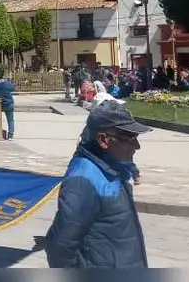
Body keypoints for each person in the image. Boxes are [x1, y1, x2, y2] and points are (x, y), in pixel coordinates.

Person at [45, 100, 150, 268]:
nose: (137, 146)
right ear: (104, 140)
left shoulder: (112, 168)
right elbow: (60, 247)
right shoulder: (84, 180)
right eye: (130, 139)